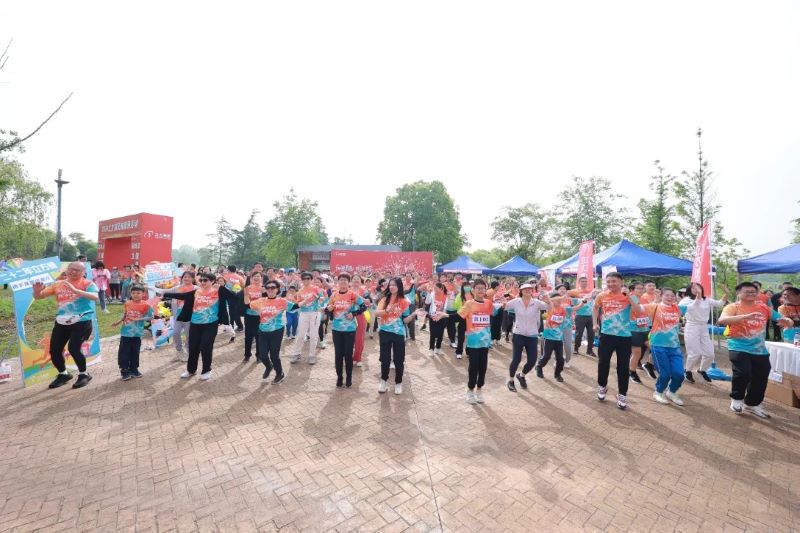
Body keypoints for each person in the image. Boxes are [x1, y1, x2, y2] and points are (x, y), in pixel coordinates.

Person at [718, 282, 793, 418]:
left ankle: (752, 404)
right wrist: (744, 317)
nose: (751, 294)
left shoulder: (763, 307)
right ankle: (737, 399)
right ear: (739, 293)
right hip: (738, 346)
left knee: (761, 376)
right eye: (747, 292)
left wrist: (788, 321)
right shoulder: (733, 307)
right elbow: (722, 320)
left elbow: (781, 318)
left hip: (759, 350)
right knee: (743, 373)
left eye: (753, 292)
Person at [32, 262, 100, 389]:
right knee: (54, 350)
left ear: (83, 272)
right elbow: (39, 296)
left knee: (74, 348)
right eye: (71, 269)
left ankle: (84, 374)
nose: (73, 272)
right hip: (62, 321)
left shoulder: (87, 283)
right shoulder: (58, 284)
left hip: (82, 320)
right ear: (67, 270)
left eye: (77, 270)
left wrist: (75, 290)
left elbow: (95, 297)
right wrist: (36, 291)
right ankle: (63, 374)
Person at [156, 273, 235, 380]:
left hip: (210, 324)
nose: (202, 282)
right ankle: (191, 370)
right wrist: (164, 293)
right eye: (201, 280)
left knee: (206, 347)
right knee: (193, 347)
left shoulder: (218, 291)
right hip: (195, 323)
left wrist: (222, 288)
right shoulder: (197, 291)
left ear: (212, 281)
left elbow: (234, 297)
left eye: (205, 280)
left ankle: (206, 370)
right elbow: (182, 296)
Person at [593, 272, 643, 410]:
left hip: (624, 336)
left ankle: (622, 394)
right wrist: (595, 323)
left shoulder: (629, 296)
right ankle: (602, 386)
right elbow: (595, 307)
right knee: (603, 363)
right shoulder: (602, 295)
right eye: (608, 281)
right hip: (606, 335)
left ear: (621, 282)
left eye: (614, 281)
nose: (611, 284)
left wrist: (629, 297)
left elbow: (638, 311)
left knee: (623, 366)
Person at [458, 278, 500, 404]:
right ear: (473, 290)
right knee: (473, 367)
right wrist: (445, 315)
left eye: (483, 288)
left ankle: (479, 390)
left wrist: (502, 305)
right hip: (473, 342)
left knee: (483, 368)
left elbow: (494, 313)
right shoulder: (469, 304)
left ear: (486, 290)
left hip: (485, 342)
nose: (481, 290)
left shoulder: (488, 303)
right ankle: (470, 390)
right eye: (478, 288)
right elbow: (459, 316)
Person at [644, 288, 688, 405]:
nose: (669, 298)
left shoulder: (677, 308)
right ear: (662, 296)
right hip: (658, 344)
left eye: (672, 296)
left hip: (674, 346)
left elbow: (695, 304)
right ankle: (658, 392)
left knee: (679, 374)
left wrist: (698, 294)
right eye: (667, 295)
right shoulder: (655, 306)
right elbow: (639, 308)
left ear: (675, 297)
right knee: (665, 374)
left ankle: (672, 392)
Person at [374, 277, 417, 394]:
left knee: (399, 360)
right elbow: (376, 313)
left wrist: (413, 315)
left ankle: (398, 383)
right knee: (385, 359)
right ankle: (383, 381)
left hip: (399, 333)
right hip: (385, 332)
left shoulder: (404, 301)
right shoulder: (385, 299)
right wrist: (388, 311)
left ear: (399, 287)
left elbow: (405, 320)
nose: (392, 287)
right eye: (390, 285)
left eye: (394, 285)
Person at [679, 282, 728, 383]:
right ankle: (687, 371)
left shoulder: (706, 299)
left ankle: (702, 370)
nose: (696, 289)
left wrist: (726, 293)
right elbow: (683, 310)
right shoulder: (686, 300)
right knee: (694, 353)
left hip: (704, 327)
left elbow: (719, 304)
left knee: (710, 354)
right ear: (689, 290)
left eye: (698, 287)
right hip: (692, 326)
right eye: (694, 288)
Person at [505, 283, 549, 392]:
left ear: (532, 291)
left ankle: (521, 375)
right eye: (525, 289)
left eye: (530, 289)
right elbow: (505, 306)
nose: (527, 290)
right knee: (516, 359)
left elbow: (548, 307)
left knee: (532, 361)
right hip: (518, 334)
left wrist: (548, 300)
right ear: (521, 291)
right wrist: (503, 301)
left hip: (532, 335)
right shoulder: (516, 301)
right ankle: (511, 380)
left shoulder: (536, 302)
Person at [245, 280, 290, 384]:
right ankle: (269, 367)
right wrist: (246, 294)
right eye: (268, 287)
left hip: (277, 330)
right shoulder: (261, 300)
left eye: (273, 287)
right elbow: (248, 305)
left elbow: (297, 305)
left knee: (274, 355)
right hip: (263, 330)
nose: (270, 289)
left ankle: (279, 374)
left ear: (277, 289)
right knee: (262, 355)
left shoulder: (282, 301)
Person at [327, 273, 367, 388]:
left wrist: (354, 313)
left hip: (350, 329)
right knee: (338, 355)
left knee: (348, 354)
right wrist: (329, 309)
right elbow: (328, 309)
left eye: (345, 280)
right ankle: (339, 378)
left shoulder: (353, 295)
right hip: (336, 329)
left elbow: (363, 307)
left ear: (348, 282)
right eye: (341, 280)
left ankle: (349, 378)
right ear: (338, 282)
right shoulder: (334, 295)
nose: (343, 282)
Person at [112, 283, 153, 380]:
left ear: (143, 293)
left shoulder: (146, 305)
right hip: (126, 332)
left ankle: (134, 369)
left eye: (138, 293)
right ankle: (124, 370)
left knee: (135, 351)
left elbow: (151, 317)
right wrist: (118, 322)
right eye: (133, 293)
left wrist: (139, 319)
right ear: (130, 294)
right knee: (124, 351)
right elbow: (125, 314)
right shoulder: (127, 303)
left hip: (137, 333)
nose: (135, 295)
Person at [535, 292, 577, 382]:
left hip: (558, 338)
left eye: (560, 299)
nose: (559, 300)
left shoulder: (563, 309)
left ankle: (557, 374)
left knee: (560, 359)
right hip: (548, 338)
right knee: (546, 356)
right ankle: (539, 366)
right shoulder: (550, 307)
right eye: (557, 299)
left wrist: (583, 302)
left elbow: (574, 308)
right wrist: (560, 297)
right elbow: (548, 300)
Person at [290, 272, 325, 364]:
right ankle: (296, 354)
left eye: (308, 278)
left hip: (315, 313)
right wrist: (305, 301)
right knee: (301, 335)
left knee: (313, 335)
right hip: (304, 313)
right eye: (304, 279)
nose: (306, 280)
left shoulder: (316, 288)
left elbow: (322, 299)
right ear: (301, 280)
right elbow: (298, 304)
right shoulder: (300, 291)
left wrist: (316, 297)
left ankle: (312, 355)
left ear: (311, 279)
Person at [627, 283, 651, 384]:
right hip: (633, 329)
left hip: (644, 328)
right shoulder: (630, 298)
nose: (641, 290)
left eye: (642, 288)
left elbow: (647, 311)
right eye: (638, 288)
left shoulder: (644, 299)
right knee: (637, 352)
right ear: (632, 290)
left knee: (653, 347)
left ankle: (649, 365)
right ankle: (632, 372)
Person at [170, 271, 197, 361]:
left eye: (189, 277)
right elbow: (166, 291)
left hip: (190, 315)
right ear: (182, 278)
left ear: (193, 278)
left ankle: (187, 351)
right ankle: (179, 351)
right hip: (178, 314)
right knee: (176, 333)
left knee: (188, 334)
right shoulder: (177, 288)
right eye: (185, 277)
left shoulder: (196, 289)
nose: (187, 278)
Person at [242, 271, 266, 363]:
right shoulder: (247, 288)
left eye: (258, 276)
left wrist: (264, 293)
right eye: (254, 276)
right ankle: (247, 355)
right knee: (248, 336)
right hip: (249, 315)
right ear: (251, 278)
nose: (256, 278)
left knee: (259, 336)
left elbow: (266, 301)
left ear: (261, 278)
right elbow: (246, 303)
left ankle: (259, 355)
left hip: (260, 316)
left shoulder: (264, 289)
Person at [569, 277, 596, 357]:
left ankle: (589, 350)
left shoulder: (591, 291)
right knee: (579, 333)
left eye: (585, 281)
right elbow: (572, 304)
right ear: (579, 282)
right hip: (580, 315)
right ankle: (576, 348)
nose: (584, 283)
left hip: (590, 316)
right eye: (582, 281)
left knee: (591, 334)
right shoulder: (575, 292)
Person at [425, 283, 450, 356]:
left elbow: (445, 307)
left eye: (436, 288)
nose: (434, 289)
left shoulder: (445, 296)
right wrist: (428, 293)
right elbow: (427, 302)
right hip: (432, 316)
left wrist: (441, 315)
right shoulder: (432, 294)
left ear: (441, 288)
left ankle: (438, 348)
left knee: (440, 333)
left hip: (441, 317)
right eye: (434, 288)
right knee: (432, 333)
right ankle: (431, 349)